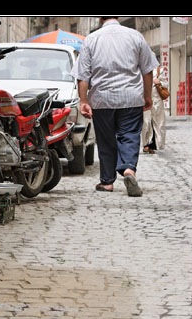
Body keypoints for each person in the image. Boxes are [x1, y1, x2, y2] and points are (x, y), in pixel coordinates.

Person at [71, 17, 158, 197]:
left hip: (102, 99)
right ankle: (128, 170)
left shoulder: (91, 40)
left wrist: (84, 101)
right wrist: (147, 96)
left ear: (100, 18)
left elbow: (83, 75)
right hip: (131, 97)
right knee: (130, 135)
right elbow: (147, 69)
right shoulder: (136, 36)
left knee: (105, 139)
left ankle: (107, 182)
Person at [141, 66, 168, 153]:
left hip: (156, 101)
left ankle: (152, 145)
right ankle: (145, 143)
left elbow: (166, 84)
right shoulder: (141, 69)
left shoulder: (159, 70)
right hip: (144, 100)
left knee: (157, 123)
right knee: (146, 122)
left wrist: (159, 82)